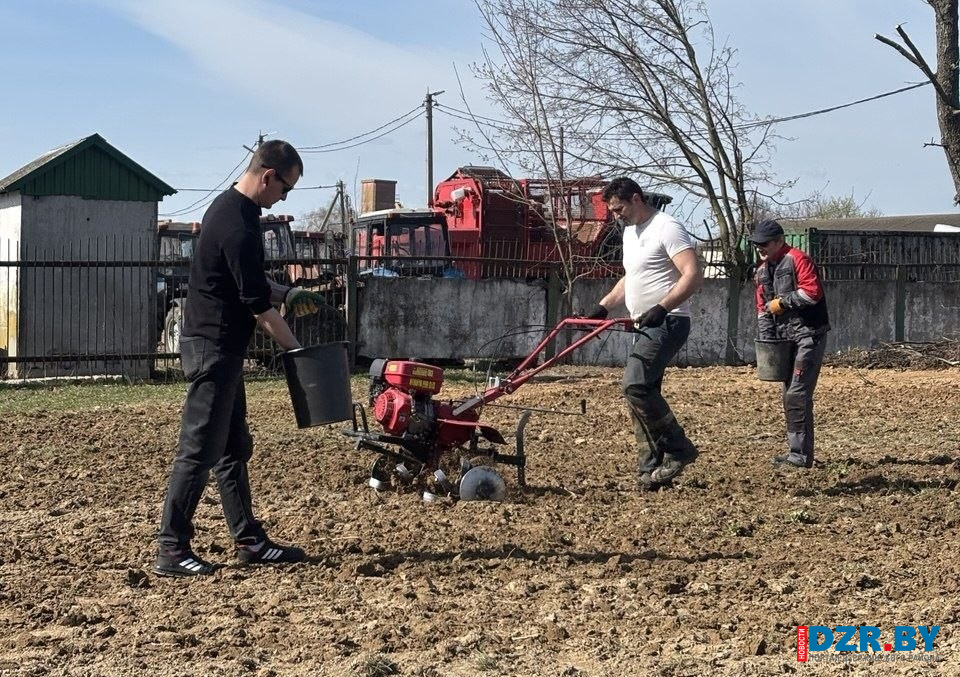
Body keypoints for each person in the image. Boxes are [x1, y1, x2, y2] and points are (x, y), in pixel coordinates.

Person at [153, 140, 324, 577]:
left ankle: (249, 540)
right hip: (213, 349)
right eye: (286, 188)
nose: (284, 198)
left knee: (232, 448)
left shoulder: (234, 211)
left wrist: (289, 291)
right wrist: (299, 353)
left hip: (221, 348)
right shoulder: (237, 224)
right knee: (199, 450)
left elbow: (246, 280)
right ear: (268, 175)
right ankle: (171, 547)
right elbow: (257, 306)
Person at [585, 177, 703, 490]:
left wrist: (663, 307)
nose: (616, 215)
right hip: (645, 324)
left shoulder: (667, 227)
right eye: (612, 210)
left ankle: (679, 450)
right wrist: (603, 306)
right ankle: (650, 471)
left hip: (669, 321)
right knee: (638, 395)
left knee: (635, 385)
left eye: (619, 208)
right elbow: (632, 277)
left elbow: (692, 275)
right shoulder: (629, 233)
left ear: (637, 199)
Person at [749, 219, 830, 469]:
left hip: (809, 334)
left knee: (796, 394)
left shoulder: (799, 260)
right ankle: (798, 453)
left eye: (764, 243)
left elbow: (812, 293)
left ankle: (799, 456)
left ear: (779, 241)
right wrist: (768, 342)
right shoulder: (762, 271)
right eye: (757, 244)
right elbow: (763, 310)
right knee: (790, 395)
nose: (760, 248)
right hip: (785, 339)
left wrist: (782, 303)